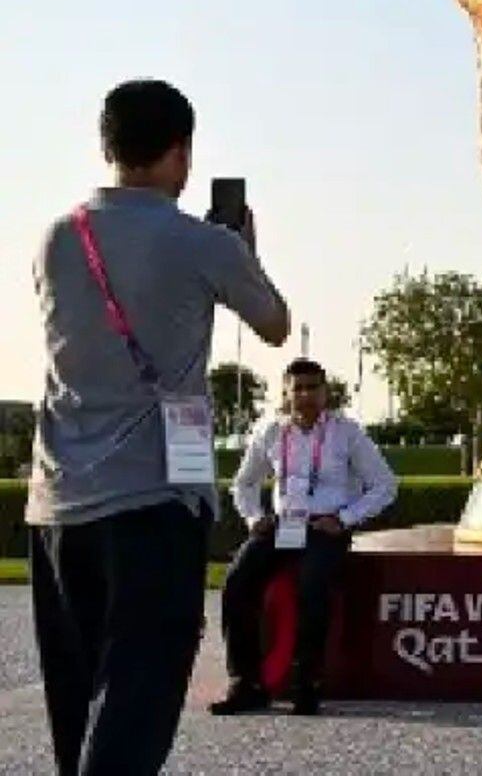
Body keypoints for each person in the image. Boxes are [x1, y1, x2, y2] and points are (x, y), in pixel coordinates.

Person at [29, 79, 291, 776]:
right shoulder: (200, 242)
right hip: (150, 501)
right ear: (182, 152)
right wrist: (241, 251)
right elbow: (274, 325)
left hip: (58, 502)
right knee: (138, 702)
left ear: (107, 144)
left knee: (78, 705)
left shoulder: (59, 236)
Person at [214, 358, 398, 716]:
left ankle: (306, 683)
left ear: (325, 392)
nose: (305, 395)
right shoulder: (270, 431)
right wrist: (254, 517)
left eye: (313, 387)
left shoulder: (347, 432)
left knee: (313, 586)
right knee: (237, 583)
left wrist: (345, 518)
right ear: (285, 392)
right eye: (297, 388)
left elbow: (385, 485)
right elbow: (244, 483)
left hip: (324, 527)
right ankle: (246, 683)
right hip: (282, 524)